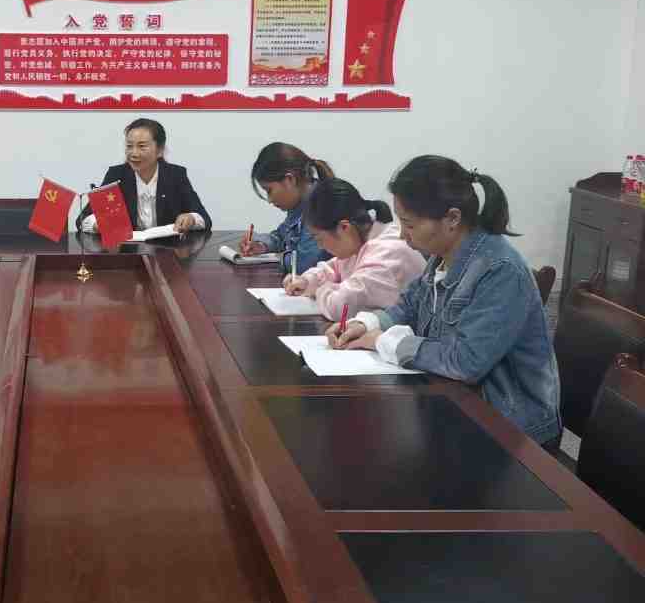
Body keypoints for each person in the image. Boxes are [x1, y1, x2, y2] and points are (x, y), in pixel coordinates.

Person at [328, 155, 561, 449]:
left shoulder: (500, 270)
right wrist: (366, 323)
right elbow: (410, 305)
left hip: (511, 431)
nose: (402, 235)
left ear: (452, 218)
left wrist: (383, 341)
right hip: (458, 406)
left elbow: (466, 362)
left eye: (409, 224)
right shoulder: (443, 255)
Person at [282, 178, 425, 320]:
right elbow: (333, 268)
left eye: (318, 238)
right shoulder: (359, 240)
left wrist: (318, 289)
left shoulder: (386, 253)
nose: (319, 246)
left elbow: (340, 307)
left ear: (344, 227)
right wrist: (307, 281)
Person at [76, 118, 212, 234]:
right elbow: (83, 219)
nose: (134, 153)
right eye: (129, 146)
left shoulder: (175, 175)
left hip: (168, 251)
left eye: (142, 146)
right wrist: (98, 224)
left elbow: (204, 218)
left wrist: (191, 218)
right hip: (127, 251)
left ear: (160, 150)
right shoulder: (117, 175)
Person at [239, 143, 333, 274]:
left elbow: (304, 264)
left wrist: (280, 257)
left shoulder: (321, 205)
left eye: (269, 190)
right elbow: (281, 236)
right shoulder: (299, 206)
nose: (269, 200)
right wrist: (261, 245)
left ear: (289, 180)